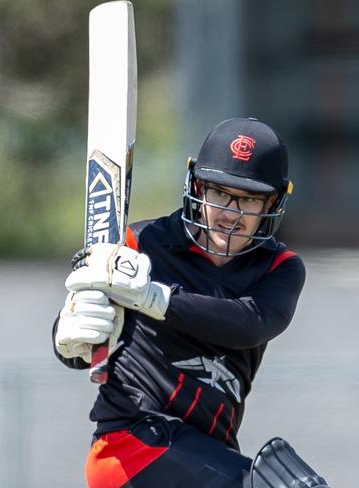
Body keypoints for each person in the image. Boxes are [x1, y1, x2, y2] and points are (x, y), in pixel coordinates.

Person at [53, 118, 329, 487]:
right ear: (197, 187)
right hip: (132, 446)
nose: (231, 212)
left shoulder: (279, 268)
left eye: (248, 199)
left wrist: (153, 297)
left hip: (207, 456)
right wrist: (72, 332)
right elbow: (76, 351)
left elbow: (249, 323)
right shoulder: (140, 245)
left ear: (273, 202)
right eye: (218, 193)